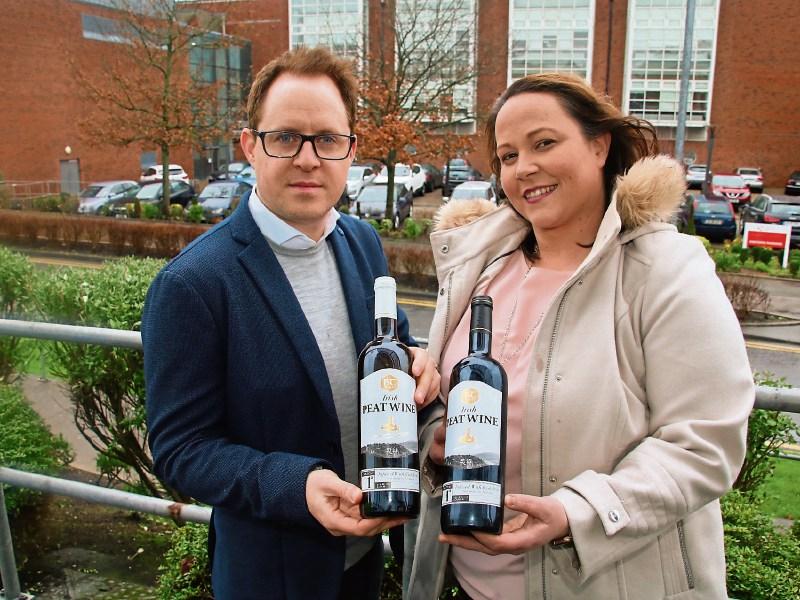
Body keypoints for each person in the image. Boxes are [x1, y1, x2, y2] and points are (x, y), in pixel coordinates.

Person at [405, 73, 754, 599]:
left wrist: (576, 513)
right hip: (473, 586)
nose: (524, 168)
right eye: (507, 155)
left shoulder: (664, 269)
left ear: (598, 145)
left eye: (544, 143)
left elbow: (707, 443)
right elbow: (448, 408)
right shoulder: (479, 272)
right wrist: (435, 437)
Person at [141, 47, 440, 600]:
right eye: (286, 138)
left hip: (364, 561)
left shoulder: (362, 243)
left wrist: (416, 360)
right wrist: (295, 486)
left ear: (351, 151)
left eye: (328, 139)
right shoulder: (193, 285)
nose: (308, 159)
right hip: (271, 578)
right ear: (250, 145)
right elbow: (180, 450)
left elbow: (391, 341)